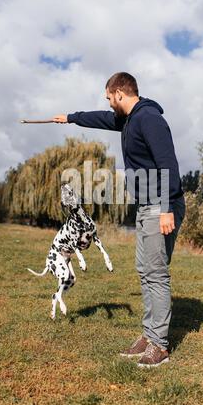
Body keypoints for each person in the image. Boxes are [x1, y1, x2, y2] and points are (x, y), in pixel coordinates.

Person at [52, 72, 185, 368]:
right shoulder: (129, 119)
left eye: (109, 97)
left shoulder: (149, 118)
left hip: (160, 205)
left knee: (156, 273)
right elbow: (102, 119)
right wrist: (71, 118)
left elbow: (168, 164)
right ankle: (149, 335)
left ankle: (159, 346)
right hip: (146, 205)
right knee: (145, 271)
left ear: (120, 94)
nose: (108, 103)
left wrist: (165, 209)